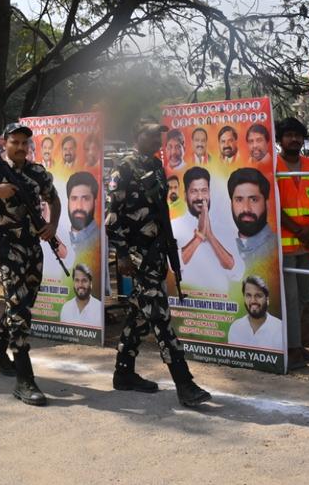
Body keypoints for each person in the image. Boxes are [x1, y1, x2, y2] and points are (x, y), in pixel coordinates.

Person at [105, 119, 211, 406]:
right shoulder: (123, 168)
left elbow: (161, 213)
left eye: (159, 137)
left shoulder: (157, 167)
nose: (157, 141)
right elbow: (112, 217)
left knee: (140, 315)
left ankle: (123, 373)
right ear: (135, 134)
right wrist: (123, 253)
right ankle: (184, 383)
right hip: (138, 255)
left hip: (156, 252)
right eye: (152, 135)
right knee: (161, 317)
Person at [0, 122, 60, 406]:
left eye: (24, 143)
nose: (20, 147)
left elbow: (53, 199)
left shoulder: (37, 172)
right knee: (18, 308)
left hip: (33, 247)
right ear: (5, 144)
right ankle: (24, 379)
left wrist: (52, 225)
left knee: (24, 303)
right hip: (7, 248)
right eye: (15, 142)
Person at [275, 117, 309, 369]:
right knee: (290, 298)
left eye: (298, 135)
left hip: (308, 244)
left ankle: (296, 345)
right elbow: (272, 204)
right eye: (289, 135)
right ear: (280, 139)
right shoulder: (271, 166)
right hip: (284, 245)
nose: (294, 139)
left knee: (303, 297)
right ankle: (292, 349)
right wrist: (297, 230)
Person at [171, 166, 235, 292]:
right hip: (189, 304)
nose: (200, 197)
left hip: (222, 304)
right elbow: (175, 265)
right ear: (185, 195)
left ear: (209, 192)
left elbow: (233, 267)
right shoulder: (175, 225)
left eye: (204, 190)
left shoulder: (225, 225)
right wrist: (199, 236)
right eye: (194, 191)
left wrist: (210, 236)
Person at [229, 167, 277, 272]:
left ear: (267, 203)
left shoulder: (276, 248)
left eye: (254, 200)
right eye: (239, 200)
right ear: (231, 204)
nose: (246, 208)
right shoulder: (227, 246)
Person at [227, 276, 284, 350]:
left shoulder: (280, 328)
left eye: (258, 296)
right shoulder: (235, 327)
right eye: (248, 295)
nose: (253, 300)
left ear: (267, 299)